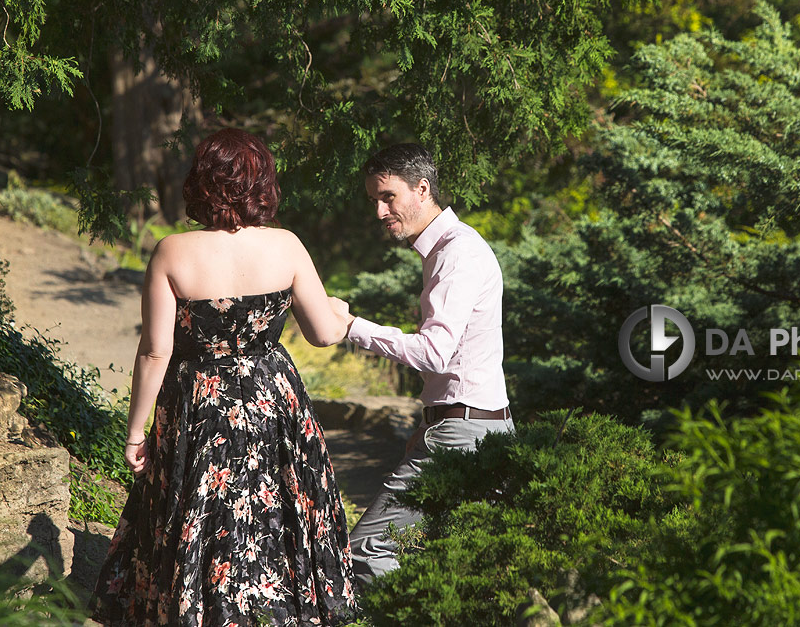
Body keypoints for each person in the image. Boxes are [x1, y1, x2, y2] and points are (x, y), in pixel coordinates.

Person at [89, 128, 357, 627]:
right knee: (274, 502)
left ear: (203, 183)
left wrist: (135, 432)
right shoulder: (288, 246)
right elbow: (322, 333)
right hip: (272, 397)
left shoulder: (172, 251)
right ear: (263, 185)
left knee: (198, 508)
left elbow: (154, 351)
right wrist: (339, 312)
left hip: (198, 399)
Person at [332, 143, 514, 584]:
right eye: (374, 200)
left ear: (422, 188)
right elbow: (459, 361)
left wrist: (351, 326)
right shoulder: (448, 250)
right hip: (468, 426)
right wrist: (431, 417)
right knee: (467, 570)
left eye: (387, 197)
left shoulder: (457, 253)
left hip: (465, 433)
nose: (378, 211)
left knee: (364, 553)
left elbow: (435, 351)